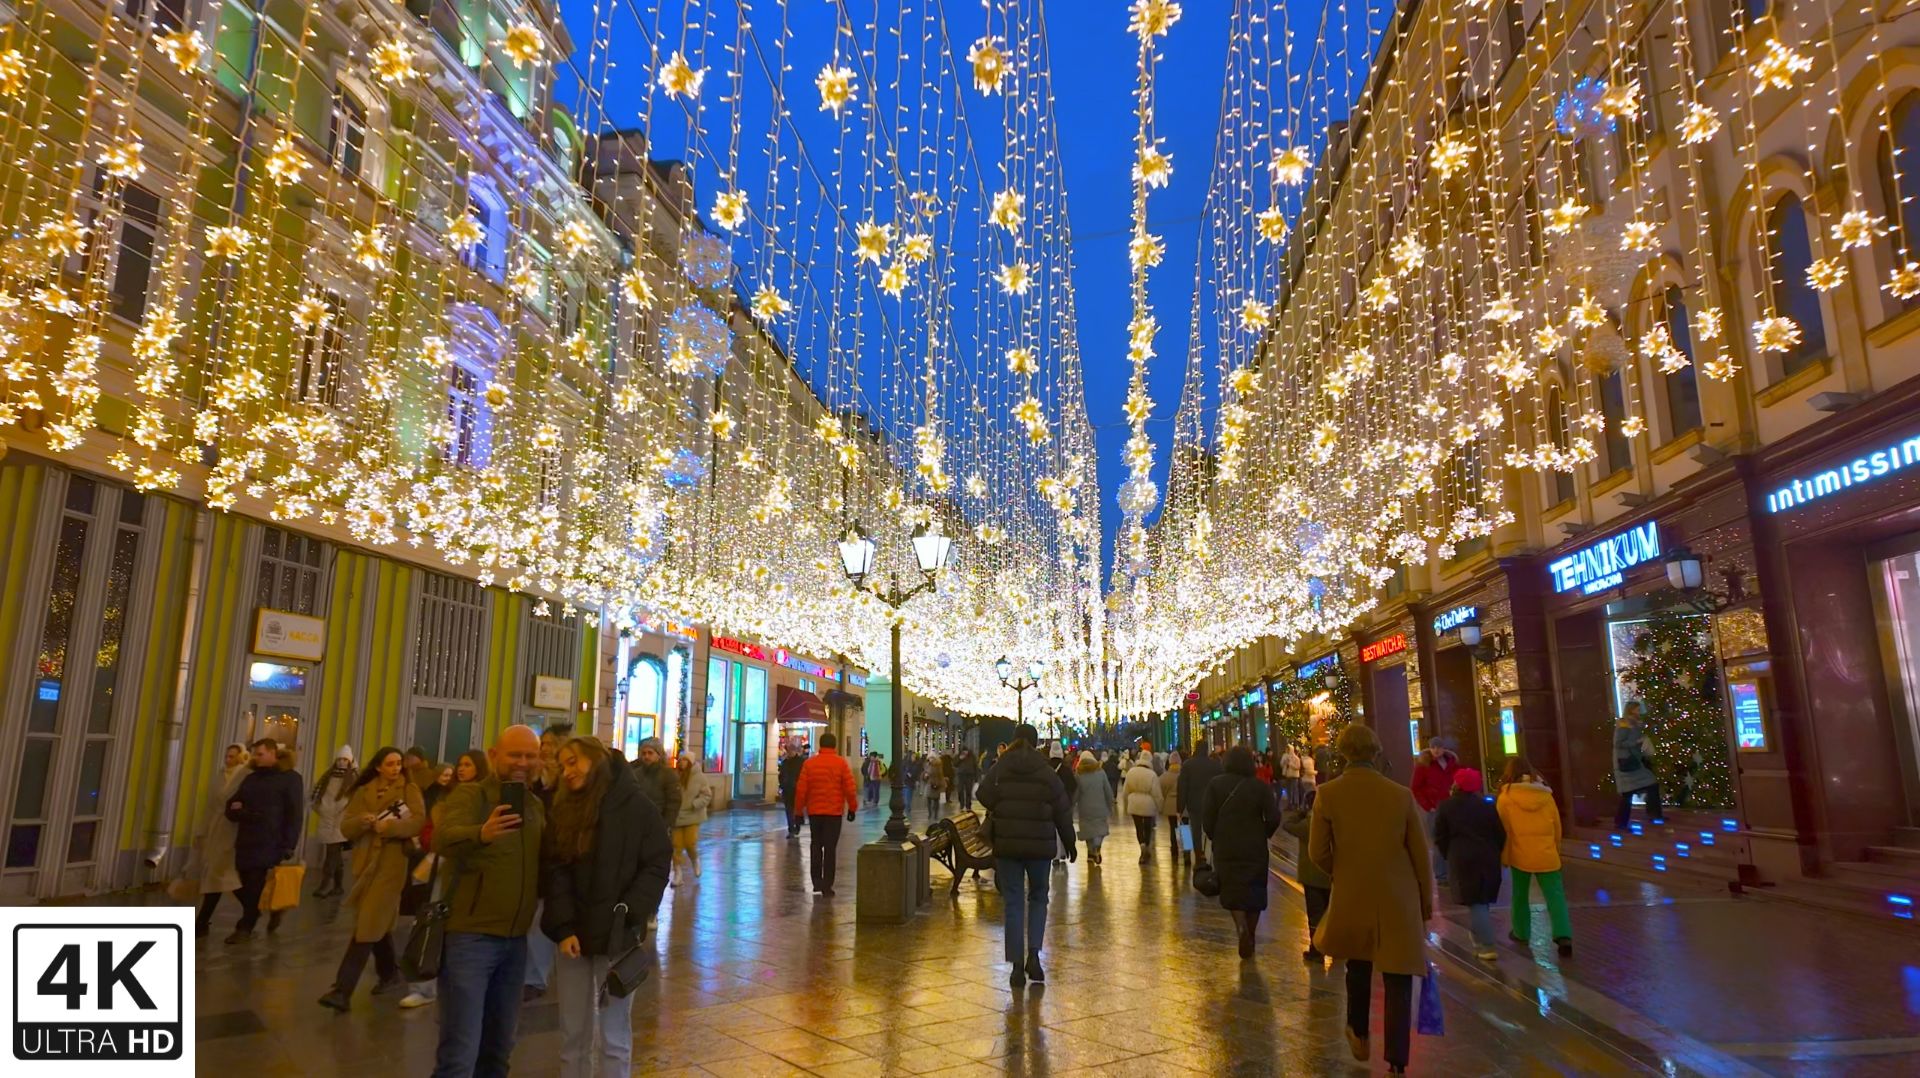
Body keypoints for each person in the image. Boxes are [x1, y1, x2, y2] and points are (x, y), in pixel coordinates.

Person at [543, 737, 671, 1078]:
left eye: (574, 762)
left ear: (596, 760)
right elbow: (555, 870)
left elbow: (657, 863)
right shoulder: (564, 807)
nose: (567, 771)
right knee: (573, 1033)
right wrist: (564, 926)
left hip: (618, 937)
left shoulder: (637, 807)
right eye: (563, 764)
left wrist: (630, 910)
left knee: (615, 1035)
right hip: (573, 938)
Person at [1310, 723, 1432, 1074]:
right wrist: (1424, 903)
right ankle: (1397, 1059)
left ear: (1342, 753)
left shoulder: (1328, 794)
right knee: (1398, 975)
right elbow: (1420, 856)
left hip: (1353, 892)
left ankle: (1359, 1032)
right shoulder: (1399, 795)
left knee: (1357, 965)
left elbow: (1318, 851)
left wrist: (1342, 869)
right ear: (1376, 753)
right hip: (1398, 895)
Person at [431, 724, 546, 1078]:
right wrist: (481, 833)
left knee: (499, 1049)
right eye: (515, 754)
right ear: (495, 755)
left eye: (530, 755)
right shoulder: (471, 796)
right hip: (471, 937)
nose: (523, 762)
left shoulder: (535, 804)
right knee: (460, 1051)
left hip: (515, 941)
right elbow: (441, 838)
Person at [318, 746, 425, 1011]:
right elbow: (346, 826)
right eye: (390, 764)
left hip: (391, 865)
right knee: (377, 923)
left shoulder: (408, 789)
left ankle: (342, 990)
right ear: (378, 766)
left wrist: (389, 827)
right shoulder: (363, 791)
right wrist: (364, 823)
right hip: (364, 864)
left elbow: (418, 822)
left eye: (399, 763)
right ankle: (390, 974)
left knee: (367, 921)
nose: (396, 768)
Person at [976, 724, 1075, 988]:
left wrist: (1003, 803)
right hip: (1040, 846)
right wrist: (1070, 841)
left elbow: (982, 794)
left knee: (1013, 902)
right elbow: (1062, 808)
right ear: (1036, 742)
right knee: (1039, 897)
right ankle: (1033, 955)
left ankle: (1016, 966)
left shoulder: (1002, 766)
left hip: (1008, 844)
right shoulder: (1044, 770)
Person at [402, 750, 489, 1010]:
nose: (461, 769)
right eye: (460, 764)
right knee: (433, 921)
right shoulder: (446, 796)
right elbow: (431, 828)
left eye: (467, 765)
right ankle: (424, 982)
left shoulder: (484, 797)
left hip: (470, 871)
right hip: (442, 866)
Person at [223, 738, 305, 944]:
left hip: (271, 839)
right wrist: (239, 812)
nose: (255, 758)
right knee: (239, 881)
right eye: (254, 755)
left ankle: (245, 926)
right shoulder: (252, 778)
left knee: (255, 883)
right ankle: (267, 909)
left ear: (272, 753)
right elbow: (233, 802)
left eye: (260, 754)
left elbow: (294, 813)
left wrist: (289, 844)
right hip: (246, 837)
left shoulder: (290, 778)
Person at [1205, 745, 1282, 958]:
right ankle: (1252, 933)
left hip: (1226, 845)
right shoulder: (1260, 787)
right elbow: (1274, 816)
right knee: (1255, 889)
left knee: (1232, 888)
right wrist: (1264, 833)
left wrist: (1215, 836)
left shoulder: (1216, 785)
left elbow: (1208, 818)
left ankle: (1240, 927)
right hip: (1254, 845)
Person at [1498, 757, 1573, 957]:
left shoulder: (1505, 797)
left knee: (1520, 896)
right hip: (1547, 854)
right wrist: (1555, 849)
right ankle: (1563, 935)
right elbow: (1556, 827)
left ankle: (1522, 932)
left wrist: (1504, 856)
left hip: (1519, 854)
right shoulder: (1546, 796)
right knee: (1555, 896)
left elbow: (1504, 830)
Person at [524, 720, 575, 1000]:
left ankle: (535, 977)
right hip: (536, 855)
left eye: (547, 746)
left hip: (556, 857)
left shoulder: (567, 781)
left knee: (543, 919)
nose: (542, 751)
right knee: (536, 917)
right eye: (541, 745)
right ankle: (533, 974)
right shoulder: (536, 778)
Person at [1432, 767, 1505, 961]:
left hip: (1463, 859)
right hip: (1488, 857)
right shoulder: (1487, 807)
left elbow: (1439, 835)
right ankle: (1478, 934)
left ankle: (1486, 945)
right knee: (1481, 900)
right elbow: (1500, 834)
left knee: (1475, 902)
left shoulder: (1447, 807)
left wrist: (1449, 853)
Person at [194, 743, 249, 937]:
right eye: (227, 756)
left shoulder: (244, 776)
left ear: (241, 757)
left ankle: (202, 921)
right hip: (216, 831)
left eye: (232, 756)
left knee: (221, 875)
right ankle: (202, 921)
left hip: (232, 831)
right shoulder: (220, 776)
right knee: (218, 876)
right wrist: (203, 831)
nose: (228, 760)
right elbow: (210, 805)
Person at [794, 732, 859, 895]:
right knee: (830, 849)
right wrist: (852, 808)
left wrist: (798, 812)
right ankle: (827, 885)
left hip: (815, 812)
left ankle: (816, 881)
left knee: (816, 845)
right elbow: (850, 789)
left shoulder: (809, 764)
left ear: (820, 745)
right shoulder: (841, 764)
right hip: (834, 813)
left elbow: (801, 790)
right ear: (835, 745)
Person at [1281, 786, 1331, 960]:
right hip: (1332, 876)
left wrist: (1301, 812)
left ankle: (1316, 951)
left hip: (1312, 876)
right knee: (1330, 913)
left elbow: (1287, 824)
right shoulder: (1334, 821)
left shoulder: (1308, 823)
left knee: (1315, 915)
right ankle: (1334, 947)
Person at [1410, 736, 1461, 884]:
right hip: (1435, 808)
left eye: (1438, 747)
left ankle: (1450, 871)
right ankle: (1440, 874)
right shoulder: (1423, 765)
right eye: (1434, 747)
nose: (1436, 750)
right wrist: (1427, 805)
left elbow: (1457, 780)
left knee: (1451, 839)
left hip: (1451, 806)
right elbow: (1415, 787)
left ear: (1444, 748)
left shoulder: (1451, 763)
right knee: (1438, 840)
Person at [312, 745, 357, 898]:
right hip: (327, 819)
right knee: (335, 854)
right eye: (339, 759)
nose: (341, 762)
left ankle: (325, 884)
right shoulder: (327, 777)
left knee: (331, 854)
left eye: (345, 759)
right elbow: (317, 796)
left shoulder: (353, 779)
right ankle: (338, 886)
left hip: (340, 822)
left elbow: (354, 801)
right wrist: (322, 810)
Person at [1613, 701, 1663, 830]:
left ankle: (1622, 822)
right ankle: (1651, 815)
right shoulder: (1624, 724)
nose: (1639, 711)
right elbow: (1619, 743)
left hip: (1632, 762)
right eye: (1636, 709)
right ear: (1631, 710)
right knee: (1637, 789)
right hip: (1627, 763)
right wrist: (1637, 741)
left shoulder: (1635, 723)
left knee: (1633, 791)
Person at [1178, 740, 1223, 868]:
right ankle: (1213, 853)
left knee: (1195, 829)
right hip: (1212, 803)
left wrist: (1180, 807)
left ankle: (1198, 854)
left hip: (1193, 803)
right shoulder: (1215, 765)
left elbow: (1182, 787)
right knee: (1212, 828)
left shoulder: (1188, 765)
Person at [670, 755, 712, 884]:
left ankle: (695, 860)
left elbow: (707, 795)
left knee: (690, 843)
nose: (681, 762)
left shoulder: (699, 777)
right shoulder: (674, 776)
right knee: (676, 846)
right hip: (677, 816)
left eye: (684, 760)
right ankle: (678, 874)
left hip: (693, 816)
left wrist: (695, 804)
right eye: (681, 760)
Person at [630, 738, 683, 840]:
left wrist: (666, 825)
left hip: (658, 824)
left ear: (658, 755)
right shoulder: (636, 773)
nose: (646, 756)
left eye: (650, 753)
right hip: (637, 824)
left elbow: (673, 802)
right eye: (644, 753)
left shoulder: (668, 774)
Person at [1072, 750, 1112, 865]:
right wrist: (1110, 805)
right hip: (1100, 807)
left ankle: (1090, 852)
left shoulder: (1078, 775)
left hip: (1085, 809)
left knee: (1088, 831)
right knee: (1100, 830)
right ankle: (1097, 846)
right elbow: (1108, 791)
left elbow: (1076, 794)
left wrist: (1071, 806)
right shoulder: (1101, 772)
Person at [1122, 749, 1163, 863]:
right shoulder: (1152, 774)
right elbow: (1156, 793)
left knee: (1138, 827)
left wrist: (1126, 804)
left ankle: (1142, 845)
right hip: (1148, 804)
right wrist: (1160, 806)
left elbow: (1126, 791)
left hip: (1134, 803)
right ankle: (1148, 845)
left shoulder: (1131, 772)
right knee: (1148, 827)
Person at [1158, 751, 1186, 863]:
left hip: (1170, 805)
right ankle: (1187, 851)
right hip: (1184, 804)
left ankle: (1174, 849)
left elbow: (1162, 791)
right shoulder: (1184, 774)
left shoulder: (1165, 776)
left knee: (1173, 827)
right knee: (1185, 827)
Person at [778, 746, 807, 839]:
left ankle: (797, 826)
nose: (789, 753)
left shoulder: (801, 762)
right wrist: (782, 785)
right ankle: (791, 829)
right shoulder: (785, 762)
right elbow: (781, 775)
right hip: (787, 789)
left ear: (795, 751)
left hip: (798, 789)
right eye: (788, 751)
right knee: (789, 810)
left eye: (790, 751)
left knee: (797, 809)